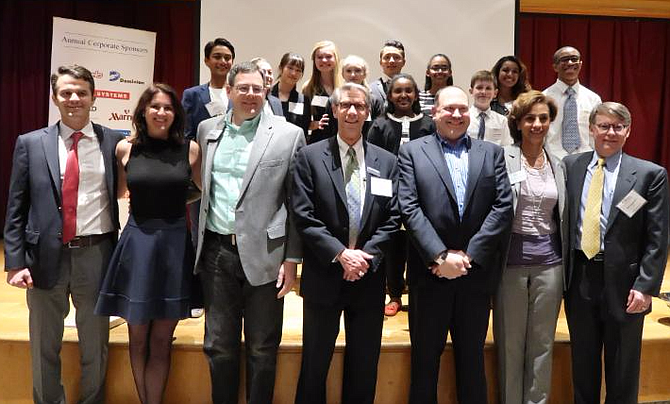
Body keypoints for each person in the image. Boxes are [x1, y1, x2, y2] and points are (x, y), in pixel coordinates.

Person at [4, 65, 124, 404]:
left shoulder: (113, 140)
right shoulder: (29, 143)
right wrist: (15, 262)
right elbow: (16, 206)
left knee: (95, 343)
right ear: (55, 98)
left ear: (94, 97)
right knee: (44, 343)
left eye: (81, 92)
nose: (74, 99)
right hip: (42, 257)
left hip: (96, 253)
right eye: (66, 93)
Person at [195, 61, 305, 404]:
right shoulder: (206, 129)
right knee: (219, 346)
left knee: (261, 347)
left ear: (266, 92)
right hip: (217, 252)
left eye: (258, 89)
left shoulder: (288, 135)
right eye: (243, 88)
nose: (251, 95)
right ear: (228, 91)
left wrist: (291, 259)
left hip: (266, 255)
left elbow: (296, 204)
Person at [398, 86, 513, 404]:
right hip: (429, 274)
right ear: (434, 113)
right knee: (424, 364)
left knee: (472, 362)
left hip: (474, 277)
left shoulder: (491, 153)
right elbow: (409, 207)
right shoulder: (412, 152)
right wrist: (439, 255)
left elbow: (503, 208)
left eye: (462, 109)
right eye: (449, 109)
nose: (457, 115)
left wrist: (470, 256)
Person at [292, 82, 400, 404]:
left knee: (365, 366)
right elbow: (303, 215)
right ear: (335, 110)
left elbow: (393, 218)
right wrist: (340, 255)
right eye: (346, 105)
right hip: (325, 275)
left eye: (359, 106)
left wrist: (364, 257)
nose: (352, 111)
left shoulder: (387, 162)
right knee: (314, 364)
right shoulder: (310, 157)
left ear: (368, 112)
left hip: (368, 277)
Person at [95, 83, 201, 404]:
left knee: (161, 340)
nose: (161, 112)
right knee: (137, 338)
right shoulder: (125, 149)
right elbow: (120, 192)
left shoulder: (190, 149)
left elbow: (200, 192)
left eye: (168, 107)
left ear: (175, 114)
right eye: (155, 106)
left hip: (174, 246)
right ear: (143, 111)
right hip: (137, 244)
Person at [563, 102, 669, 404]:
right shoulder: (571, 166)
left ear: (628, 131)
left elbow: (657, 237)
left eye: (618, 127)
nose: (610, 132)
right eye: (604, 126)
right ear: (591, 129)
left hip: (626, 284)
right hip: (580, 277)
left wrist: (646, 285)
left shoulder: (650, 175)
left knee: (622, 366)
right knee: (583, 363)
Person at [494, 90, 565, 404]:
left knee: (542, 344)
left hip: (550, 264)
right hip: (510, 263)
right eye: (530, 118)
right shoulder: (500, 157)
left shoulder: (560, 164)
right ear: (518, 122)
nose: (537, 124)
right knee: (510, 344)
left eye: (543, 118)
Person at [367, 73, 434, 317]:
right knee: (393, 247)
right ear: (390, 96)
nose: (403, 95)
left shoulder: (428, 123)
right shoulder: (380, 124)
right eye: (398, 91)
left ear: (416, 94)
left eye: (409, 91)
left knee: (418, 245)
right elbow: (371, 160)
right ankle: (394, 294)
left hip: (422, 196)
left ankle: (417, 294)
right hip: (388, 195)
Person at [543, 46, 602, 159]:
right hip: (553, 160)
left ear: (580, 64)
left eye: (574, 59)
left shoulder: (593, 99)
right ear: (555, 67)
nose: (570, 63)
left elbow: (596, 133)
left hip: (585, 160)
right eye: (564, 60)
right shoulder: (544, 98)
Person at [182, 37, 235, 140]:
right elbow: (186, 133)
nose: (223, 61)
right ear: (206, 61)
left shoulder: (238, 94)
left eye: (227, 58)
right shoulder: (192, 95)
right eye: (217, 57)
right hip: (202, 153)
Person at [321, 55, 384, 140]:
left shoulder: (374, 101)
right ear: (343, 74)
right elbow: (328, 131)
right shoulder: (333, 99)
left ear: (365, 74)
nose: (353, 75)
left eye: (358, 71)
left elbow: (379, 130)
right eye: (348, 71)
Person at [302, 40, 341, 144]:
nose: (324, 60)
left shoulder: (344, 87)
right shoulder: (308, 88)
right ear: (314, 61)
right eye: (319, 57)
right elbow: (303, 121)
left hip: (342, 140)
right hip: (317, 141)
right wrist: (315, 124)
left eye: (328, 56)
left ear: (336, 59)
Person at [467, 70, 514, 146]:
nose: (483, 92)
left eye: (488, 88)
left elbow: (507, 147)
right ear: (471, 91)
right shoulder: (464, 118)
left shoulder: (502, 121)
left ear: (495, 93)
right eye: (479, 88)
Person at [370, 40, 406, 104]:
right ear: (381, 62)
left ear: (403, 62)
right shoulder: (370, 90)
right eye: (387, 57)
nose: (391, 61)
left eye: (396, 57)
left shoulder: (411, 90)